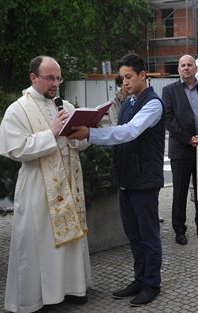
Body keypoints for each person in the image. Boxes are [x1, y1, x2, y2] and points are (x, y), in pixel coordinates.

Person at [0, 56, 92, 312]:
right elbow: (17, 149)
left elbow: (79, 145)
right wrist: (51, 133)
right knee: (40, 243)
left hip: (68, 184)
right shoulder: (18, 109)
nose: (56, 83)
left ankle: (73, 288)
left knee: (70, 240)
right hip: (38, 188)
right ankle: (40, 297)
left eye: (59, 78)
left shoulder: (66, 106)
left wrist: (81, 135)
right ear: (33, 77)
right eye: (50, 78)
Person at [69, 53, 164, 306]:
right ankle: (139, 279)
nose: (125, 82)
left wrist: (91, 134)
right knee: (133, 235)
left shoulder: (153, 104)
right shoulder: (130, 103)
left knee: (148, 235)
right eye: (122, 78)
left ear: (143, 75)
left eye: (129, 77)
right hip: (126, 179)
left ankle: (152, 284)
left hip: (145, 181)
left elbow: (129, 132)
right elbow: (120, 136)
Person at [162, 55, 198, 245]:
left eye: (189, 65)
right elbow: (169, 119)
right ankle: (179, 228)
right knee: (179, 191)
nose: (186, 68)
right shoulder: (169, 90)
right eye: (182, 65)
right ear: (178, 69)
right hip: (181, 149)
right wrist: (188, 139)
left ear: (196, 68)